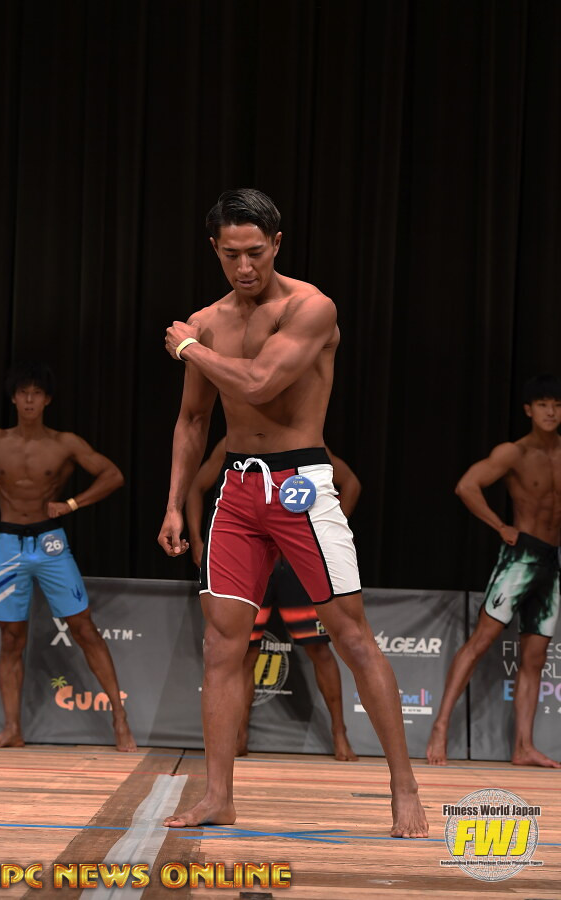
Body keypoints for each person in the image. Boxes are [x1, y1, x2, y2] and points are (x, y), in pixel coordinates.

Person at [158, 188, 428, 837]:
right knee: (222, 643)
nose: (244, 266)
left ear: (277, 243)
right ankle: (218, 796)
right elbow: (193, 419)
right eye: (231, 254)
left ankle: (406, 790)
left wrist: (190, 350)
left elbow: (259, 384)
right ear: (214, 249)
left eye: (255, 252)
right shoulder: (207, 320)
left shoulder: (311, 307)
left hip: (301, 482)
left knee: (352, 636)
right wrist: (173, 503)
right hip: (237, 490)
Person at [0, 362, 136, 752]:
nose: (29, 400)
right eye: (23, 393)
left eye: (36, 393)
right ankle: (12, 728)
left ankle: (120, 719)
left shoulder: (64, 444)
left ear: (47, 400)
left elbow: (113, 475)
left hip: (50, 542)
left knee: (83, 628)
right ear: (13, 398)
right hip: (9, 545)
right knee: (10, 637)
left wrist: (72, 504)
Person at [187, 436, 361, 760]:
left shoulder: (299, 437)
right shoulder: (234, 441)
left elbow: (351, 483)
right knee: (245, 652)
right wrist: (197, 540)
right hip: (253, 557)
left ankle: (340, 734)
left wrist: (323, 535)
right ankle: (240, 736)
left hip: (294, 562)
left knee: (319, 649)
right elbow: (196, 487)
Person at [427, 374, 561, 767]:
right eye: (543, 404)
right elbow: (467, 486)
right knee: (481, 641)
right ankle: (440, 727)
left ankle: (524, 746)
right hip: (520, 558)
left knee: (535, 656)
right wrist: (500, 526)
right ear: (528, 410)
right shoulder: (514, 452)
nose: (551, 412)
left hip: (553, 563)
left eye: (557, 405)